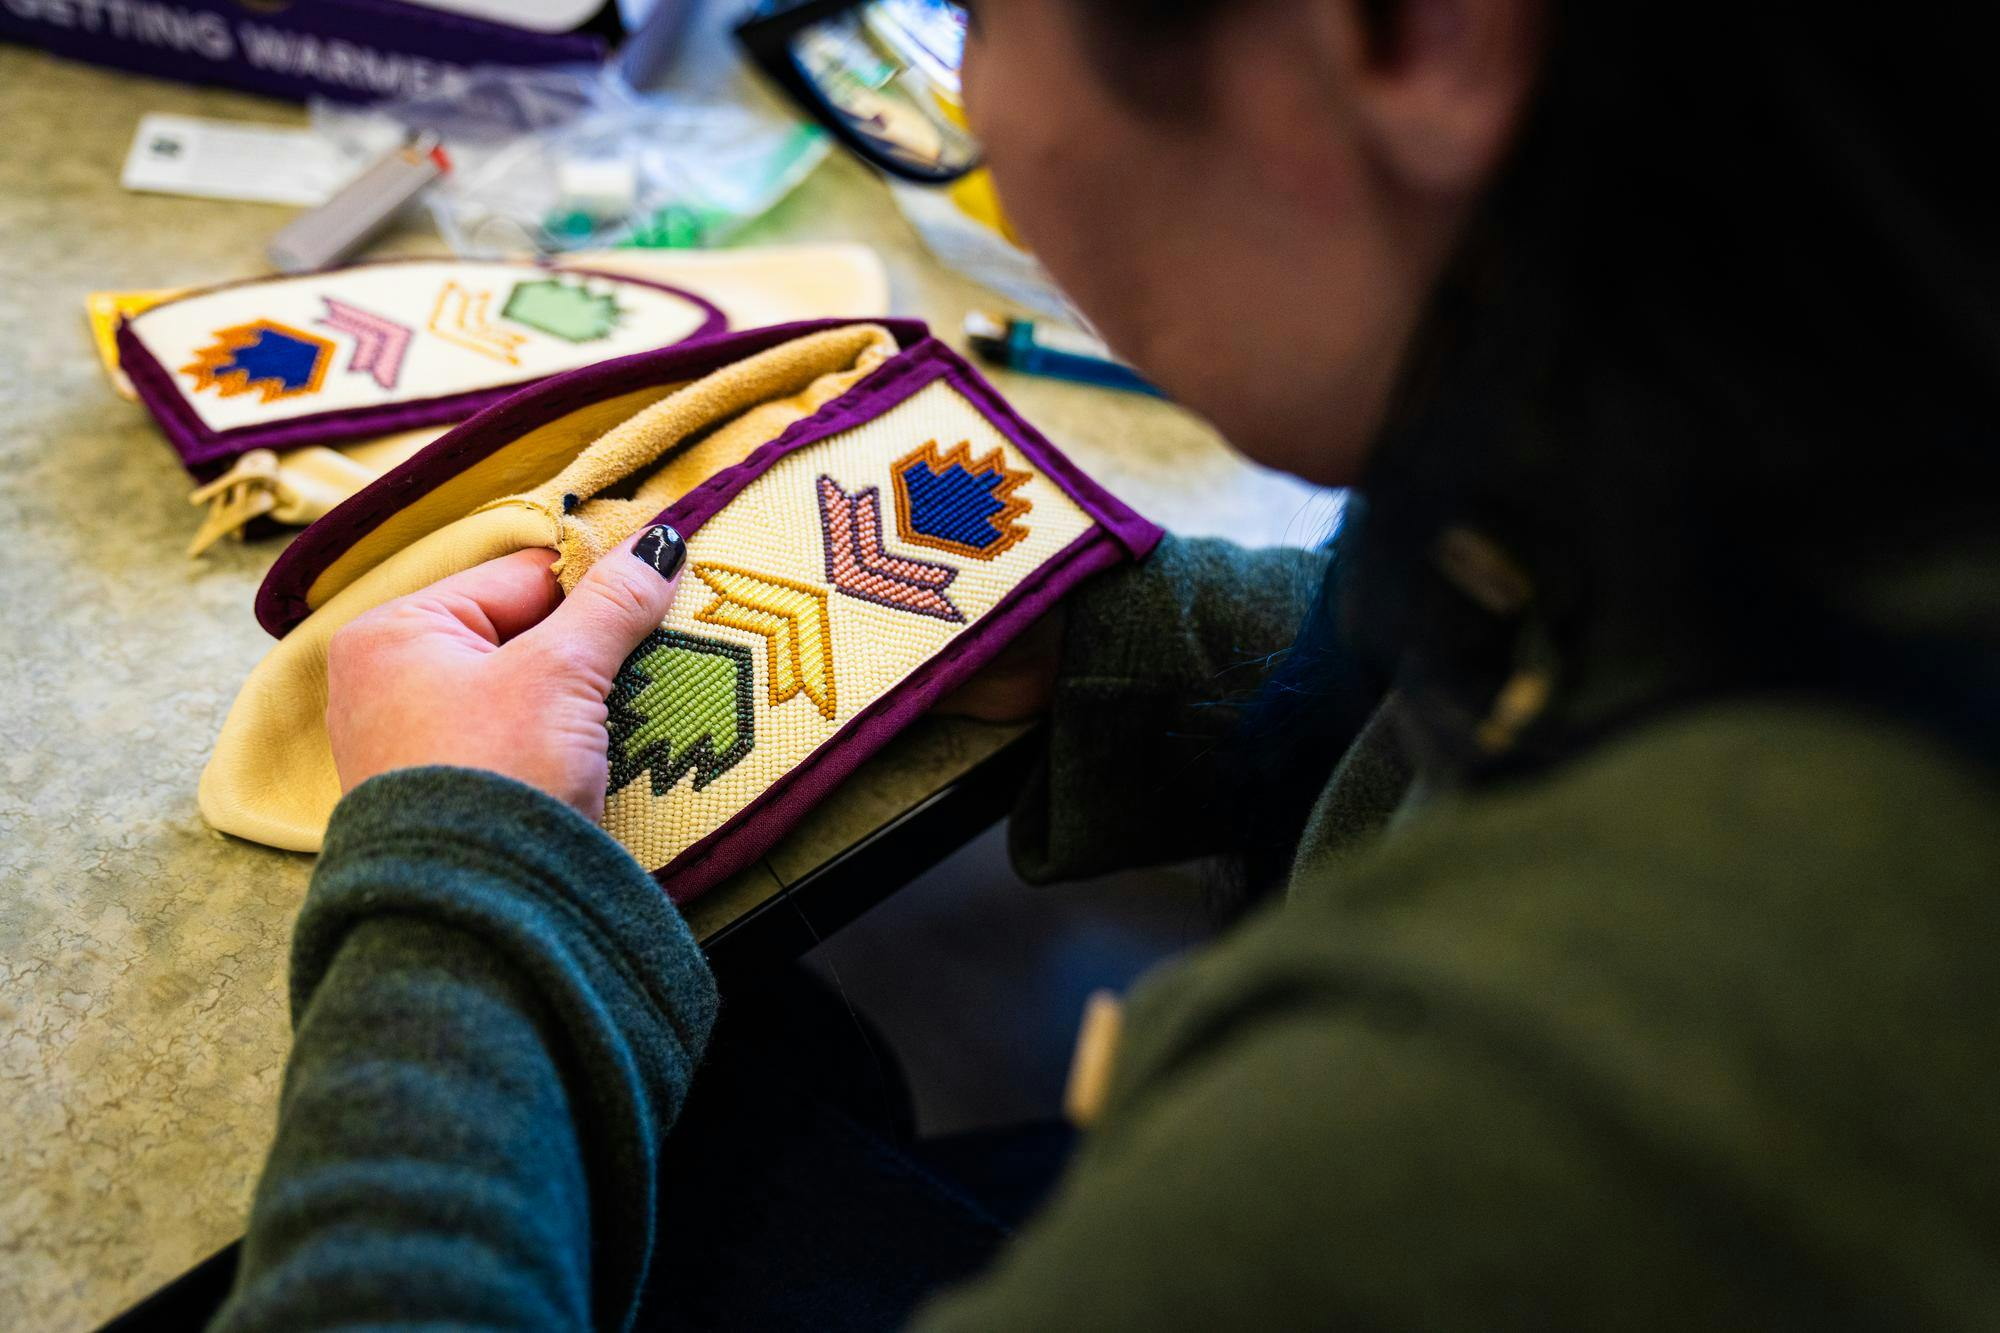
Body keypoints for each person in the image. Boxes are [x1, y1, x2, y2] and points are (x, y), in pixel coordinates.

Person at [210, 0, 1999, 1328]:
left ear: (1412, 42)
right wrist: (1131, 638)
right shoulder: (1825, 454)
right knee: (774, 1063)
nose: (967, 105)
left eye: (964, 16)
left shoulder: (1547, 1109)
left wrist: (464, 881)